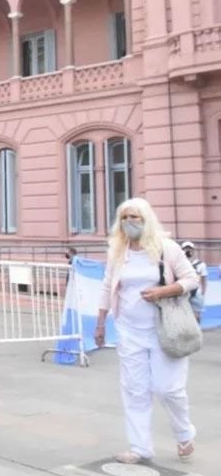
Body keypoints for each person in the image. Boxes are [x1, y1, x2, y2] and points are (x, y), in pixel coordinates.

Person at [94, 198, 198, 464]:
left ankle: (184, 433)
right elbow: (108, 286)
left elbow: (191, 279)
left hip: (166, 330)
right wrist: (101, 321)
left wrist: (163, 290)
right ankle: (140, 448)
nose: (130, 222)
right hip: (128, 330)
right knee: (134, 389)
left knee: (167, 389)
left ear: (146, 219)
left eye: (135, 217)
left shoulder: (167, 248)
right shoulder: (118, 251)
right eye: (125, 217)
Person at [180, 241, 207, 323]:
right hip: (183, 292)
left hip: (196, 292)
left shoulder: (201, 264)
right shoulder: (179, 264)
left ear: (193, 251)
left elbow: (204, 279)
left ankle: (197, 331)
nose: (188, 251)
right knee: (183, 315)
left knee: (196, 316)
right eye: (185, 249)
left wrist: (203, 293)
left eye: (190, 249)